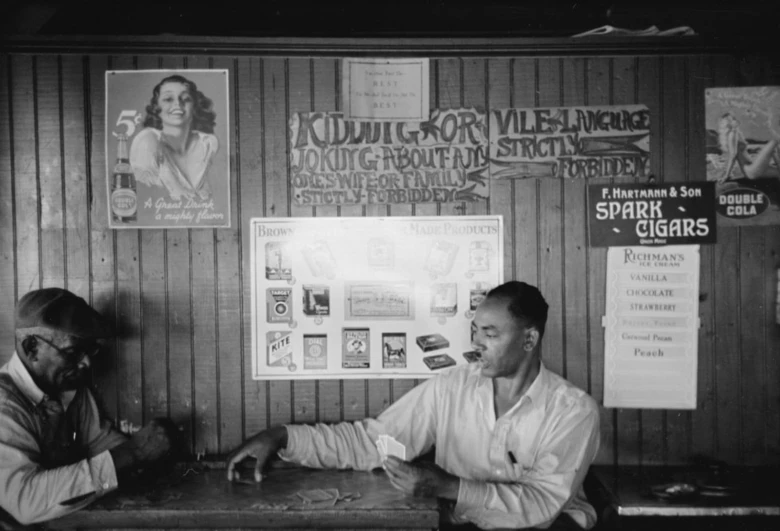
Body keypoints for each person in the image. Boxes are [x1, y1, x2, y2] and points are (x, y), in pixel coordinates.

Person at [226, 281, 601, 530]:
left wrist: (452, 487)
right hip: (463, 526)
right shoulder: (452, 387)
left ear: (529, 340)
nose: (476, 344)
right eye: (475, 332)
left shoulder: (573, 410)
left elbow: (542, 503)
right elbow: (375, 441)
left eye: (490, 334)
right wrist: (283, 437)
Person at [0, 288, 178, 528]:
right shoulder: (5, 405)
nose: (86, 363)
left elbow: (98, 441)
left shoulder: (67, 385)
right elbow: (25, 501)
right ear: (32, 348)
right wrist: (134, 453)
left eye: (89, 350)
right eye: (73, 352)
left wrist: (148, 457)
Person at [130, 74, 219, 201]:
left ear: (194, 106)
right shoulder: (147, 141)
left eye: (186, 99)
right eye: (168, 99)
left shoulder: (208, 143)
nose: (178, 103)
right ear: (157, 108)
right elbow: (145, 196)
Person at [717, 112, 780, 183]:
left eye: (734, 118)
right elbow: (732, 156)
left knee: (778, 172)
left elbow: (739, 153)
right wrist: (726, 175)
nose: (735, 120)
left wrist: (756, 149)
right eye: (732, 119)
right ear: (728, 123)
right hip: (751, 169)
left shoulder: (735, 134)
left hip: (752, 169)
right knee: (774, 142)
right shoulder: (732, 133)